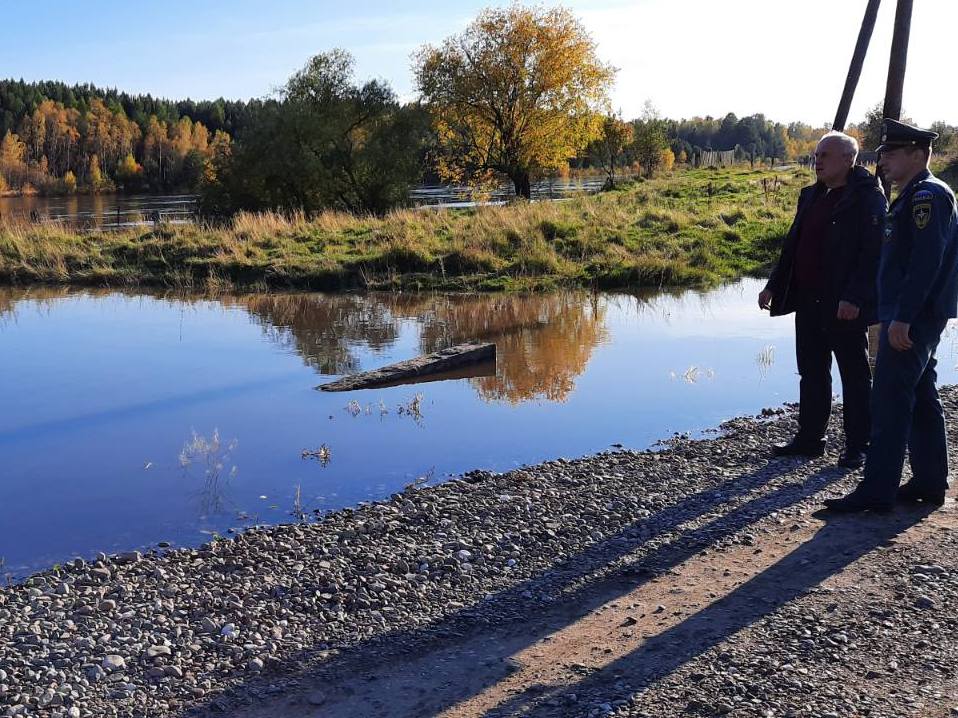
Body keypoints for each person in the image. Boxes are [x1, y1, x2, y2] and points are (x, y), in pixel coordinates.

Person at [824, 119, 958, 513]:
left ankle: (877, 491)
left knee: (888, 400)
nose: (883, 161)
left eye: (892, 154)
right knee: (919, 393)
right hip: (910, 313)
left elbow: (924, 263)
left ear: (918, 155)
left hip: (910, 317)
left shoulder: (926, 197)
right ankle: (930, 481)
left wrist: (903, 317)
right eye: (881, 154)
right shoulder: (914, 194)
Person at [759, 131, 886, 468]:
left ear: (848, 159)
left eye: (825, 155)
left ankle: (859, 444)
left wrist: (855, 297)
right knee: (812, 372)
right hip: (809, 300)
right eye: (817, 155)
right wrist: (773, 285)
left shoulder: (868, 197)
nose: (818, 161)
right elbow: (793, 246)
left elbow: (871, 254)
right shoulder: (811, 196)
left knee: (855, 376)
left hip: (844, 304)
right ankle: (810, 439)